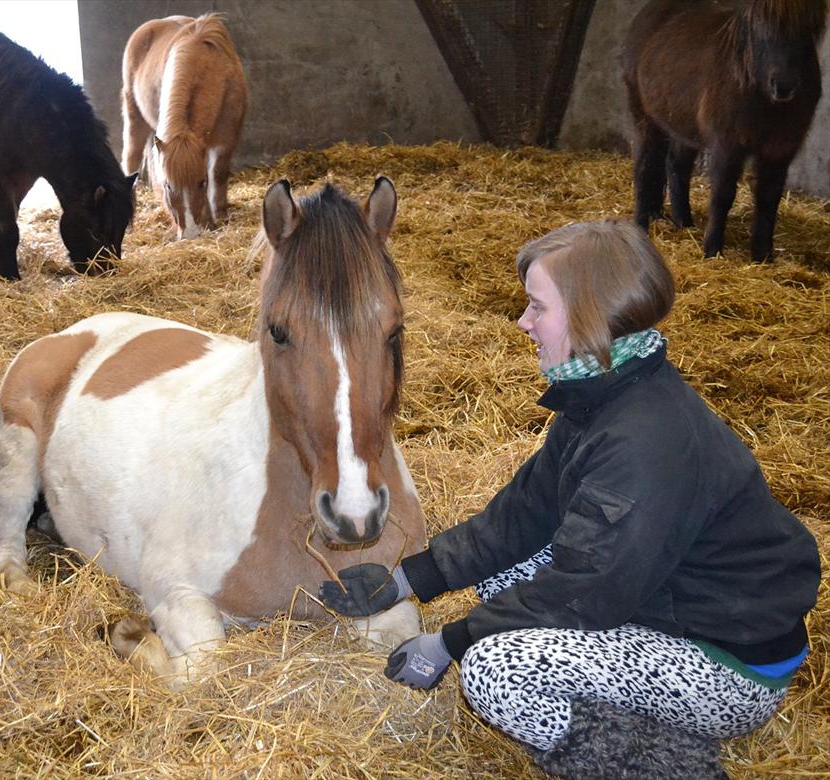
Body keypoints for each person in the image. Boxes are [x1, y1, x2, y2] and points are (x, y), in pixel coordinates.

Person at [321, 220, 820, 777]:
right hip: (673, 598)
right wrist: (411, 578)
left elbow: (586, 591)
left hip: (728, 662)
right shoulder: (606, 389)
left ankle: (670, 763)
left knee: (496, 669)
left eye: (537, 307)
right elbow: (524, 515)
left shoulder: (645, 440)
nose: (523, 322)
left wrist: (452, 641)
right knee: (504, 577)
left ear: (588, 315)